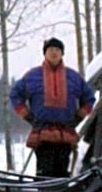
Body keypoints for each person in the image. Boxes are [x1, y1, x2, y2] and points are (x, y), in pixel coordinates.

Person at [10, 38, 96, 178]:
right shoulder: (32, 76)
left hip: (65, 134)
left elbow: (89, 98)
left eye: (57, 50)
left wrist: (78, 117)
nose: (54, 53)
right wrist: (27, 115)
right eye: (50, 50)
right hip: (42, 133)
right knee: (44, 173)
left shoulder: (73, 77)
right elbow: (15, 95)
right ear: (45, 53)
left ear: (62, 53)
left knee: (62, 173)